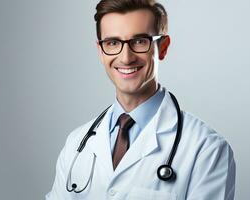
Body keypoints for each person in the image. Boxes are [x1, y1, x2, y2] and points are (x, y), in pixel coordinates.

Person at [45, 0, 236, 199]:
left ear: (162, 47)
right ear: (100, 51)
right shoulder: (76, 144)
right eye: (112, 43)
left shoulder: (206, 149)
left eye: (139, 41)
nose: (126, 58)